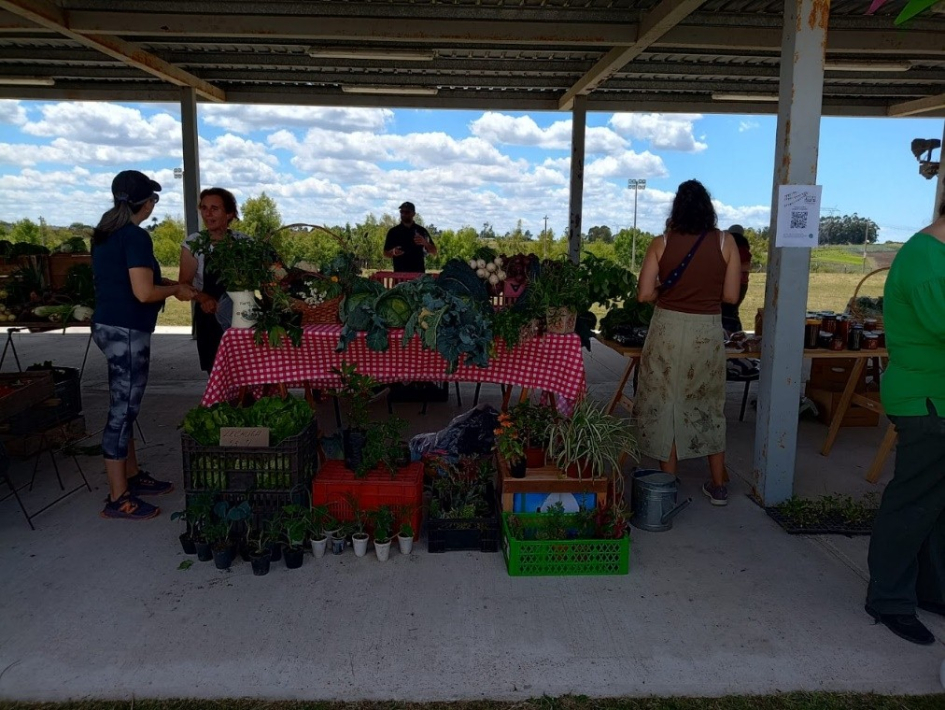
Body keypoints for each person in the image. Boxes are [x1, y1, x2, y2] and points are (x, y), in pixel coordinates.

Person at [91, 170, 196, 520]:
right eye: (154, 199)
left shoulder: (105, 233)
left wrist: (164, 282)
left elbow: (132, 280)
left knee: (126, 406)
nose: (154, 205)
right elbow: (143, 292)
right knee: (121, 412)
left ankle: (132, 476)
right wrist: (176, 290)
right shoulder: (135, 236)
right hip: (127, 331)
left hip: (109, 324)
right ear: (146, 203)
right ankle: (118, 496)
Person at [865, 197, 945, 646]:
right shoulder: (927, 261)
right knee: (913, 503)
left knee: (937, 504)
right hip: (926, 402)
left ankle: (932, 590)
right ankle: (889, 599)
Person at [634, 179, 742, 506]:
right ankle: (719, 484)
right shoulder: (726, 243)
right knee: (707, 402)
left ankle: (668, 480)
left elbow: (644, 295)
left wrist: (666, 292)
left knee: (665, 401)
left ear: (676, 207)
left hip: (666, 329)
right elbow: (730, 296)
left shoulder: (661, 243)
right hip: (705, 334)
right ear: (708, 208)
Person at [179, 188, 248, 373]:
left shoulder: (243, 242)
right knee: (217, 370)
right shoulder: (193, 244)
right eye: (204, 208)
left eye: (215, 208)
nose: (207, 214)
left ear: (229, 213)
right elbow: (183, 284)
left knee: (245, 369)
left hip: (242, 313)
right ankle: (221, 402)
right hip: (209, 314)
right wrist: (203, 298)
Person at [383, 201, 437, 272]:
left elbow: (434, 252)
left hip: (418, 278)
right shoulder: (393, 232)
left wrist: (425, 242)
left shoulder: (421, 231)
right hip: (399, 277)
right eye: (401, 212)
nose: (403, 214)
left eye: (407, 212)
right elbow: (385, 253)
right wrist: (393, 252)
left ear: (413, 214)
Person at [720, 224, 752, 334]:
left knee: (728, 311)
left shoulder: (737, 247)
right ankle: (734, 334)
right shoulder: (743, 246)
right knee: (731, 311)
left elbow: (746, 265)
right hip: (741, 283)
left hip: (732, 283)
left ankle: (733, 334)